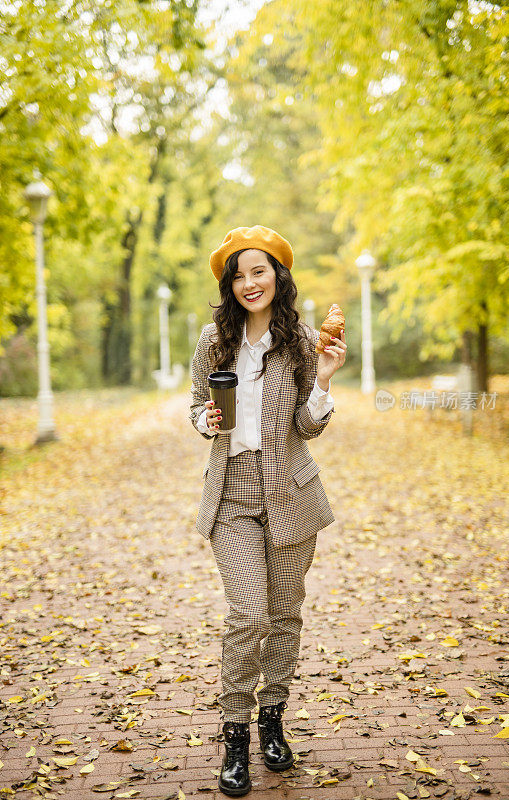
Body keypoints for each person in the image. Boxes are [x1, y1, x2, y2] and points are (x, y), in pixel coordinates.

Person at [189, 225, 346, 796]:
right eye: (238, 274)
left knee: (284, 615)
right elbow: (196, 405)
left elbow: (307, 426)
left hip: (290, 492)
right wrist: (203, 420)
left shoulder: (302, 342)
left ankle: (272, 719)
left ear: (278, 277)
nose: (249, 283)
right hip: (231, 492)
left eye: (259, 271)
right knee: (249, 613)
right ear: (228, 285)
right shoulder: (214, 341)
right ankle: (234, 733)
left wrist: (324, 382)